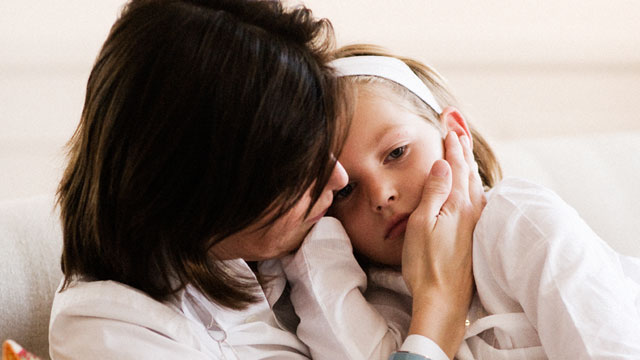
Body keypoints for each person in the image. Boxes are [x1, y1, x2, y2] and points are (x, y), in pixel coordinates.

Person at [48, 1, 485, 359]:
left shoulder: (292, 251)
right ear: (207, 188)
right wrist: (438, 316)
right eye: (298, 165)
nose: (337, 176)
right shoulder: (109, 331)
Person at [280, 44, 640, 360]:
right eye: (346, 190)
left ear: (454, 134)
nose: (381, 195)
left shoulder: (516, 221)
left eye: (397, 153)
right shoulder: (376, 296)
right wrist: (314, 232)